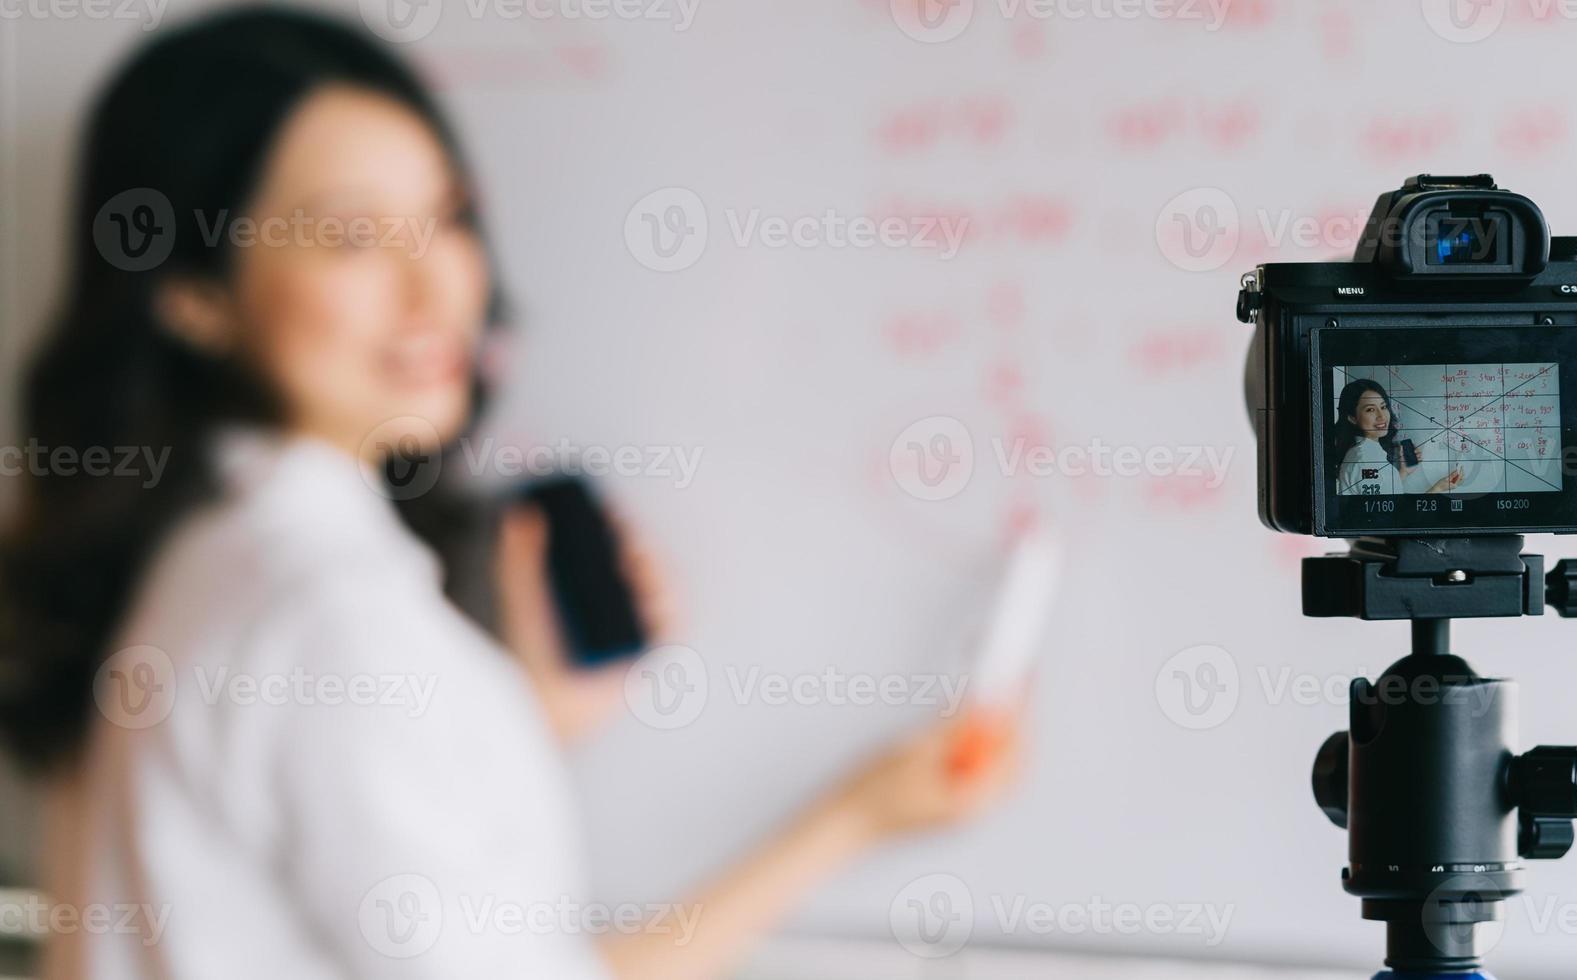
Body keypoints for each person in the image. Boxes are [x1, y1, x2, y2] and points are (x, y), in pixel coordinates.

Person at [0, 9, 1019, 978]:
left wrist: (507, 720)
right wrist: (855, 817)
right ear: (193, 295)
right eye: (351, 237)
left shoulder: (193, 556)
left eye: (446, 218)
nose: (440, 287)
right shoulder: (333, 619)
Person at [1327, 379, 1463, 496]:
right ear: (1352, 418)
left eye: (1383, 407)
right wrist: (1438, 488)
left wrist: (1402, 473)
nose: (1381, 416)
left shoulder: (1365, 451)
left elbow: (1381, 493)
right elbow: (1392, 518)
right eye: (1370, 409)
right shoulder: (1367, 460)